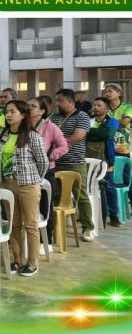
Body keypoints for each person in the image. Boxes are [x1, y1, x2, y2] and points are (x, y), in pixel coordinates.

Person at [0, 100, 49, 277]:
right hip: (7, 184)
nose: (8, 115)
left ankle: (32, 262)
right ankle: (17, 259)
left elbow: (43, 162)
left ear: (23, 114)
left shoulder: (32, 136)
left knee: (31, 224)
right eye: (7, 111)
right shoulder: (4, 134)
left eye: (12, 111)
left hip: (28, 185)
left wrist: (35, 180)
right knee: (14, 224)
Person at [49, 89, 94, 242]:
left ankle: (88, 228)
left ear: (70, 101)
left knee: (81, 196)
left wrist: (58, 144)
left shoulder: (82, 116)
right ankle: (54, 226)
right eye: (56, 100)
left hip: (75, 163)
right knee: (55, 196)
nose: (57, 103)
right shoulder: (53, 117)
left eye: (60, 100)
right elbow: (46, 137)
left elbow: (77, 137)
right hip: (55, 163)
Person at [29, 96, 68, 250]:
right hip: (27, 170)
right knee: (29, 206)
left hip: (46, 170)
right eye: (27, 105)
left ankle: (46, 242)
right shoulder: (22, 125)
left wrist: (48, 156)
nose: (29, 108)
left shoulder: (50, 127)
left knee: (45, 205)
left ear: (42, 111)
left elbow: (63, 146)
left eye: (33, 106)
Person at [87, 97, 122, 227]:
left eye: (99, 105)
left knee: (110, 188)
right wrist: (97, 133)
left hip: (106, 160)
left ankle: (114, 216)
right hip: (88, 159)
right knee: (89, 187)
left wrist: (89, 131)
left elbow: (107, 133)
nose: (95, 107)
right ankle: (90, 215)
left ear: (106, 108)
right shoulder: (89, 120)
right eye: (94, 105)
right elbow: (83, 136)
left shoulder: (112, 121)